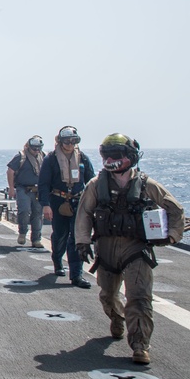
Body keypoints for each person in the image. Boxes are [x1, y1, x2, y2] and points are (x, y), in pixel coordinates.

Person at [74, 134, 184, 365]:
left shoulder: (147, 185)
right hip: (106, 247)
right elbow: (84, 214)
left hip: (136, 248)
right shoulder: (95, 186)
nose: (112, 159)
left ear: (130, 157)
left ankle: (140, 345)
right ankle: (117, 318)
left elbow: (175, 209)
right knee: (107, 295)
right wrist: (82, 242)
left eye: (117, 154)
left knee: (140, 297)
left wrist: (173, 235)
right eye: (108, 154)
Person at [38, 126, 95, 288]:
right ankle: (57, 260)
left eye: (73, 141)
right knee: (60, 235)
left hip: (78, 201)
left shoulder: (82, 158)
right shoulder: (51, 159)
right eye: (67, 141)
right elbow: (43, 183)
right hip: (57, 201)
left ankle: (76, 275)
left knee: (77, 237)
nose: (70, 144)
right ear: (60, 141)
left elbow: (92, 182)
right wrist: (45, 205)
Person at [7, 135, 46, 247]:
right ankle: (23, 232)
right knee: (24, 211)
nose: (36, 150)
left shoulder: (43, 157)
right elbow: (10, 171)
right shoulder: (21, 156)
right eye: (34, 148)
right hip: (23, 189)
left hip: (38, 190)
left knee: (38, 214)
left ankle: (36, 239)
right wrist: (11, 188)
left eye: (39, 148)